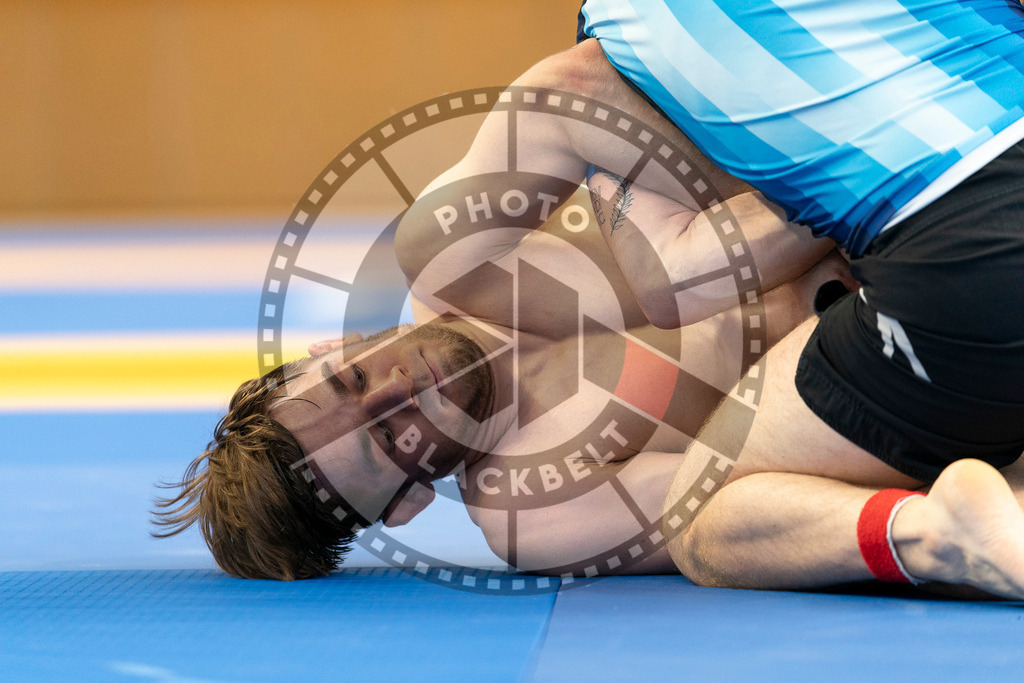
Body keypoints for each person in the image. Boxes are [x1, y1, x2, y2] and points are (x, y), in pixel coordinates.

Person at [572, 0, 1024, 598]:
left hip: (961, 259)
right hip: (970, 238)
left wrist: (828, 185)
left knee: (697, 513)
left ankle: (934, 532)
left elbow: (670, 281)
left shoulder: (608, 29)